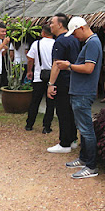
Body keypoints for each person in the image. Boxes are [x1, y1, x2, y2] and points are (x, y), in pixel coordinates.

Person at [54, 16, 102, 179]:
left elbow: (89, 68)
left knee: (86, 129)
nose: (75, 37)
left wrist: (69, 65)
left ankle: (91, 165)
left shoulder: (93, 43)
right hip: (79, 91)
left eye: (75, 33)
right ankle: (84, 159)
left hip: (83, 92)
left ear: (81, 28)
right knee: (83, 127)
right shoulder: (89, 43)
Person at [46, 13, 80, 153]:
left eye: (52, 23)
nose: (50, 26)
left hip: (63, 81)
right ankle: (72, 139)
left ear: (60, 24)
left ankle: (64, 143)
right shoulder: (74, 39)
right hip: (73, 80)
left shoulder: (60, 41)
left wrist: (51, 84)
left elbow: (56, 64)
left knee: (63, 111)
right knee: (70, 111)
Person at [25, 24, 55, 134]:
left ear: (43, 33)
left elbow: (30, 59)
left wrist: (29, 71)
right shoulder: (56, 44)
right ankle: (46, 126)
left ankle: (29, 124)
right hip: (52, 77)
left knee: (35, 101)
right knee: (50, 103)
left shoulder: (36, 44)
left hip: (38, 76)